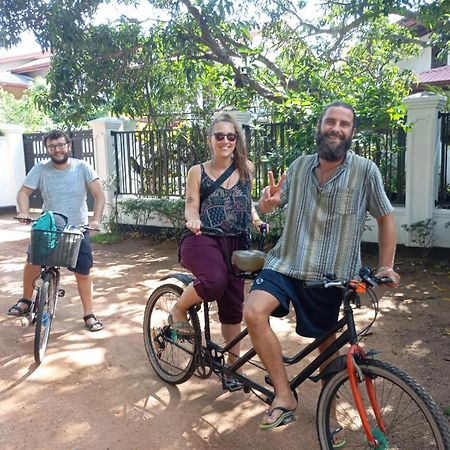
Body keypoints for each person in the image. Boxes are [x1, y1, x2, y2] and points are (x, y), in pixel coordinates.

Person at [243, 102, 401, 438]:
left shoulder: (365, 171)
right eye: (330, 121)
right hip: (286, 263)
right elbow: (271, 201)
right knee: (254, 312)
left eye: (344, 124)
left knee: (327, 346)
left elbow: (386, 218)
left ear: (351, 132)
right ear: (320, 126)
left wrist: (386, 266)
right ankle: (283, 396)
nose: (336, 128)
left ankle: (326, 413)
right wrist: (266, 203)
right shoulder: (300, 166)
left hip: (331, 275)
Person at [170, 112, 264, 390]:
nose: (225, 141)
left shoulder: (247, 167)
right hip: (203, 238)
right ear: (210, 139)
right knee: (215, 280)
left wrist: (256, 219)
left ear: (237, 140)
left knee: (233, 308)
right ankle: (178, 309)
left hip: (236, 242)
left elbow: (247, 202)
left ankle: (233, 368)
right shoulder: (197, 171)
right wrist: (193, 218)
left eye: (231, 136)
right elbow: (190, 203)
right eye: (220, 136)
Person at [7, 130, 106, 331]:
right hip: (49, 226)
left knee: (83, 273)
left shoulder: (82, 167)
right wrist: (24, 212)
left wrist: (95, 220)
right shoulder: (40, 168)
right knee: (32, 261)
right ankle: (26, 301)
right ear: (47, 149)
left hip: (76, 228)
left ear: (68, 145)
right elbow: (23, 193)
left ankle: (88, 314)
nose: (57, 149)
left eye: (61, 145)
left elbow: (100, 196)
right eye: (52, 146)